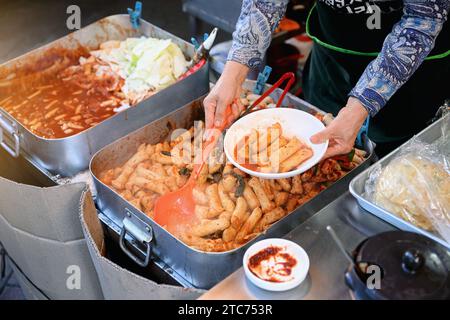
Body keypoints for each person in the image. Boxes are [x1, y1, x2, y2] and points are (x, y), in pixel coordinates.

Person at [203, 0, 449, 157]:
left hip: (410, 79)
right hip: (332, 59)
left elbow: (422, 19)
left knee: (397, 168)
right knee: (316, 145)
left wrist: (358, 107)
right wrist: (233, 76)